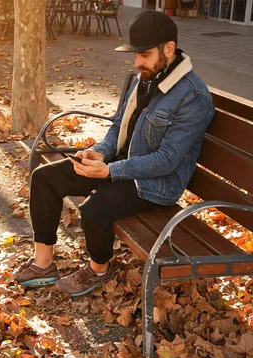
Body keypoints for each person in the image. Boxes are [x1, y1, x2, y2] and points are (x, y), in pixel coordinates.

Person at [14, 10, 215, 297]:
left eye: (143, 54)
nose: (136, 62)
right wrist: (100, 153)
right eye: (135, 55)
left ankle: (99, 270)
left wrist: (110, 171)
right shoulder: (143, 78)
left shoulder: (193, 97)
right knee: (45, 178)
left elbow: (167, 160)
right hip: (123, 166)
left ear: (168, 49)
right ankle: (43, 263)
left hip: (157, 184)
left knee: (95, 209)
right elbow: (119, 126)